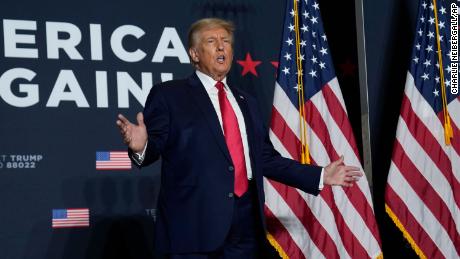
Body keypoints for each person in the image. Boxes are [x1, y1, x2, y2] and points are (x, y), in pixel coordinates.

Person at [116, 18, 362, 259]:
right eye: (212, 41)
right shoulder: (169, 95)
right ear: (194, 54)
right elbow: (154, 147)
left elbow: (265, 158)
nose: (221, 46)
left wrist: (320, 175)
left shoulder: (247, 102)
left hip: (245, 229)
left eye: (226, 41)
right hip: (193, 231)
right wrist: (142, 146)